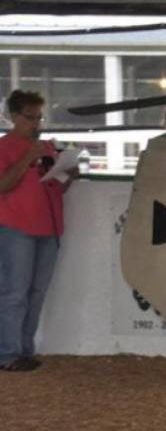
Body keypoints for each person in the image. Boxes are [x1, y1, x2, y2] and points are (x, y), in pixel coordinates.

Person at [0, 90, 73, 371]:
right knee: (14, 292)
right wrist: (27, 157)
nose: (36, 123)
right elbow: (3, 184)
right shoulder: (5, 147)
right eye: (30, 117)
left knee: (37, 292)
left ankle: (24, 349)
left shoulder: (46, 147)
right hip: (15, 226)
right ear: (13, 116)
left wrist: (69, 172)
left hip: (49, 227)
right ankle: (7, 354)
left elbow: (57, 185)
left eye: (39, 117)